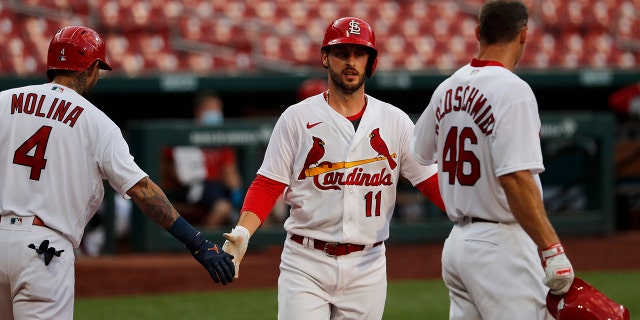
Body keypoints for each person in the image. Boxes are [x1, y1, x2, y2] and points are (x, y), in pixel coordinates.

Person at [0, 25, 234, 319]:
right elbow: (141, 189)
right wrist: (196, 242)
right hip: (43, 247)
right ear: (92, 67)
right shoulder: (98, 122)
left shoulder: (4, 101)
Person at [221, 17, 446, 319]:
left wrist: (475, 217)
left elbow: (430, 182)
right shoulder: (296, 118)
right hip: (306, 259)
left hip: (368, 264)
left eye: (359, 53)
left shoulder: (395, 121)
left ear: (371, 62)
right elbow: (268, 183)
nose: (351, 61)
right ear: (326, 58)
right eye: (342, 53)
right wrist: (243, 231)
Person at [410, 1, 574, 319]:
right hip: (502, 246)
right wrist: (551, 248)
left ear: (477, 31)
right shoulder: (513, 91)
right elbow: (515, 178)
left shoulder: (447, 87)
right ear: (523, 35)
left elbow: (419, 154)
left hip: (458, 244)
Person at [162, 90, 243, 227]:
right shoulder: (184, 136)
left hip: (217, 189)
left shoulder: (222, 139)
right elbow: (175, 175)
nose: (216, 113)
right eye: (211, 109)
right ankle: (203, 246)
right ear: (199, 111)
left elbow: (231, 174)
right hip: (193, 189)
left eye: (218, 109)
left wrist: (237, 192)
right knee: (222, 208)